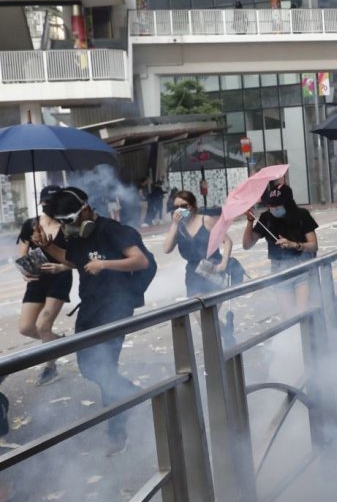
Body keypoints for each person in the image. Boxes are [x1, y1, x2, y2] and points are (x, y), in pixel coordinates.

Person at [36, 187, 157, 456]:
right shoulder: (77, 237)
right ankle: (134, 395)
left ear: (86, 210)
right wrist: (46, 245)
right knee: (91, 369)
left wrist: (105, 264)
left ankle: (118, 432)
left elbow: (140, 261)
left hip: (115, 308)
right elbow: (71, 259)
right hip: (89, 308)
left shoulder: (112, 230)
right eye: (62, 223)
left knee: (104, 368)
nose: (67, 227)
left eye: (70, 220)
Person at [15, 185, 72, 385]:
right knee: (26, 328)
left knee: (43, 326)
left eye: (53, 201)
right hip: (38, 279)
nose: (49, 205)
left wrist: (61, 267)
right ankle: (58, 342)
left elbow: (76, 259)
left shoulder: (67, 226)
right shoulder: (30, 224)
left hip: (60, 277)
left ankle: (51, 367)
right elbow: (22, 254)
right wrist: (25, 271)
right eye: (46, 201)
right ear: (40, 202)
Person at [242, 185, 318, 310]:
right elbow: (247, 245)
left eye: (278, 205)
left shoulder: (302, 215)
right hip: (279, 269)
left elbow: (314, 245)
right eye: (271, 205)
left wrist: (294, 245)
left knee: (303, 312)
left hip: (301, 266)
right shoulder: (266, 218)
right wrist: (250, 221)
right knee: (288, 315)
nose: (274, 208)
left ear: (288, 203)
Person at [163, 190, 242, 297]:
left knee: (212, 304)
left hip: (211, 268)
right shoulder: (178, 227)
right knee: (196, 305)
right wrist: (174, 224)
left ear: (192, 206)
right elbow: (166, 249)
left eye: (184, 206)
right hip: (193, 272)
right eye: (176, 207)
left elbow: (227, 241)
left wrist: (224, 263)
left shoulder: (206, 220)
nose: (180, 210)